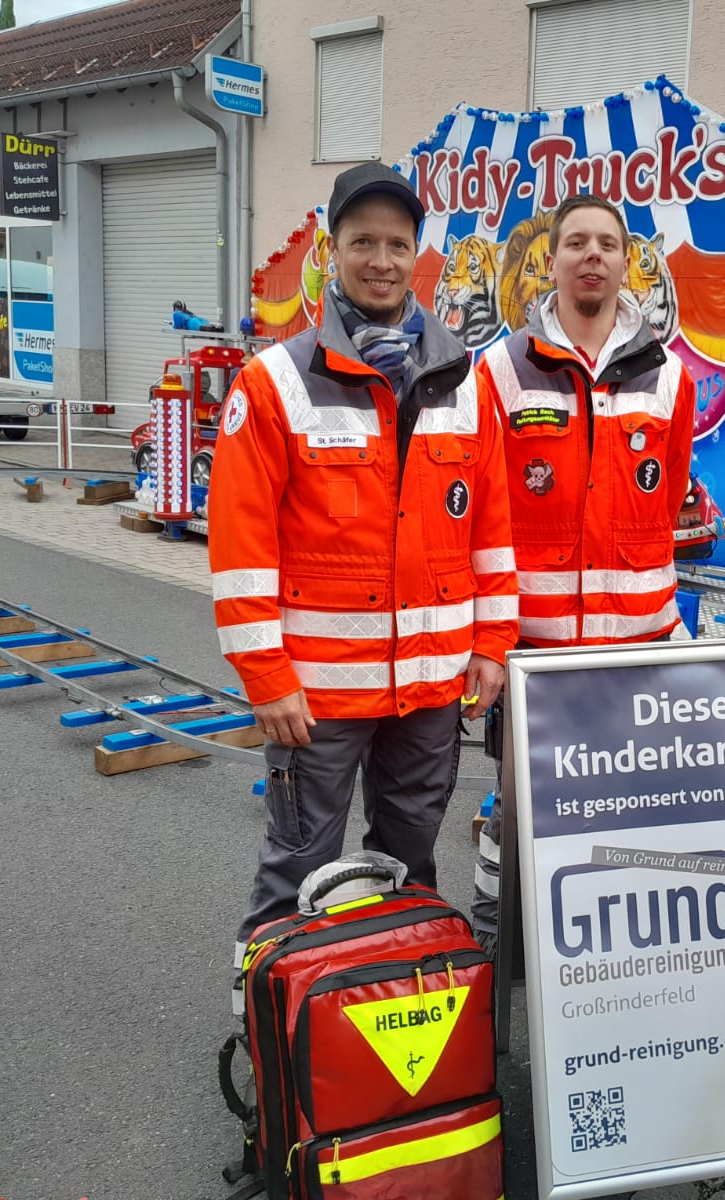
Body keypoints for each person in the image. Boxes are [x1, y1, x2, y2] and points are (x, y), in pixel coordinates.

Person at [211, 162, 519, 1007]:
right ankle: (270, 1014)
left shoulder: (465, 382)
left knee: (410, 857)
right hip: (317, 695)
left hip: (429, 687)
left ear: (416, 255)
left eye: (397, 244)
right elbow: (241, 549)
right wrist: (267, 676)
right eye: (362, 243)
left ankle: (393, 1001)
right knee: (301, 862)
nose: (381, 260)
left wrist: (492, 645)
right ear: (331, 251)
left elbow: (490, 532)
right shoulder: (273, 384)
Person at [469, 194, 696, 952]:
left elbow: (665, 503)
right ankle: (500, 938)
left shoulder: (669, 378)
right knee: (516, 807)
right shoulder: (500, 370)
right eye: (575, 242)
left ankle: (604, 948)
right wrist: (493, 641)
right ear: (553, 260)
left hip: (637, 649)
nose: (591, 255)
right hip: (534, 651)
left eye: (606, 242)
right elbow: (483, 515)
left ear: (626, 260)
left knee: (625, 804)